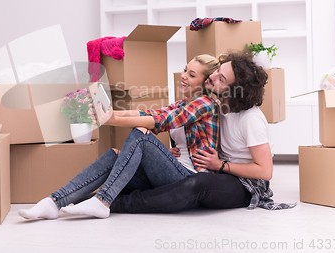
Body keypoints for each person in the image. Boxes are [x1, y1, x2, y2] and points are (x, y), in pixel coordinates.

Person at [18, 54, 220, 221]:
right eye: (185, 70)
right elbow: (149, 113)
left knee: (141, 134)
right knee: (115, 154)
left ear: (205, 82)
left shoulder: (205, 103)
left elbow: (163, 121)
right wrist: (109, 115)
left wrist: (112, 119)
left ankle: (103, 201)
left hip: (190, 180)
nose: (184, 76)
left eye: (191, 75)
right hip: (173, 171)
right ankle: (54, 202)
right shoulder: (184, 102)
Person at [110, 51, 296, 213]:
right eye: (217, 71)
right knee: (188, 181)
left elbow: (265, 171)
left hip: (246, 184)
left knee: (199, 183)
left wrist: (221, 165)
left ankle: (120, 204)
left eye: (221, 78)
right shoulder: (215, 104)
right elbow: (164, 116)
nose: (212, 77)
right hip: (222, 172)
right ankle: (106, 197)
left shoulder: (250, 118)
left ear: (232, 91)